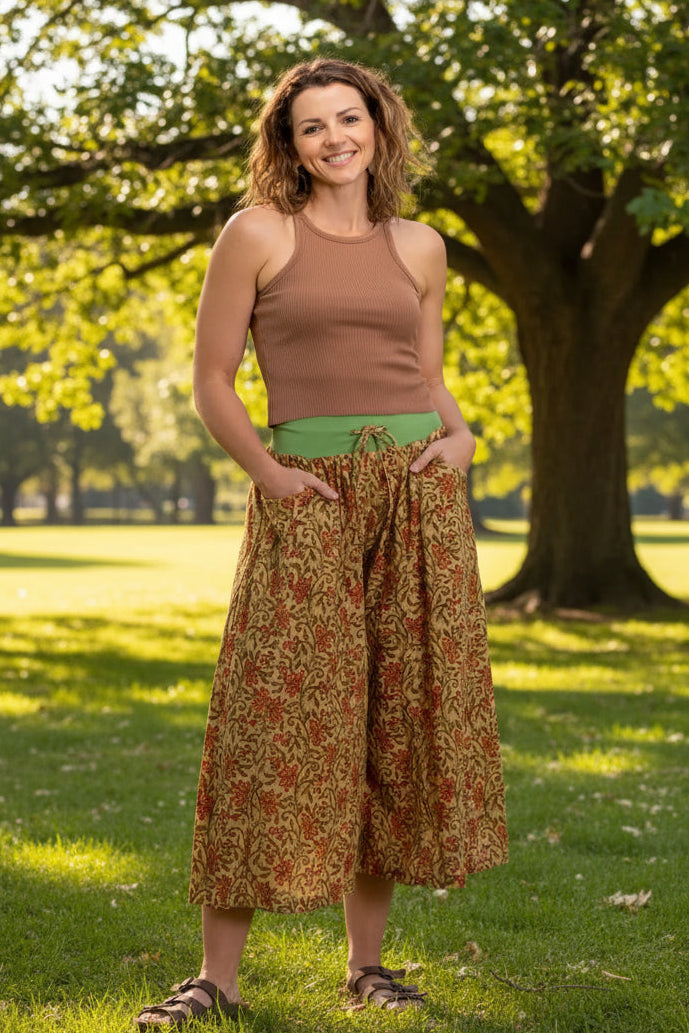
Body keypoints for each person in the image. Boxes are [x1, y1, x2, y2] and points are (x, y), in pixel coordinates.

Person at [134, 57, 507, 1029]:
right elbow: (213, 376)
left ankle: (365, 967)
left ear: (377, 128)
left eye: (350, 118)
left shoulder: (419, 246)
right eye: (312, 125)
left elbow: (423, 375)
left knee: (391, 718)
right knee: (276, 716)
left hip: (413, 491)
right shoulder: (256, 233)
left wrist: (461, 438)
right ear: (288, 142)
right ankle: (214, 977)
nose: (335, 137)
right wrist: (268, 475)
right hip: (306, 491)